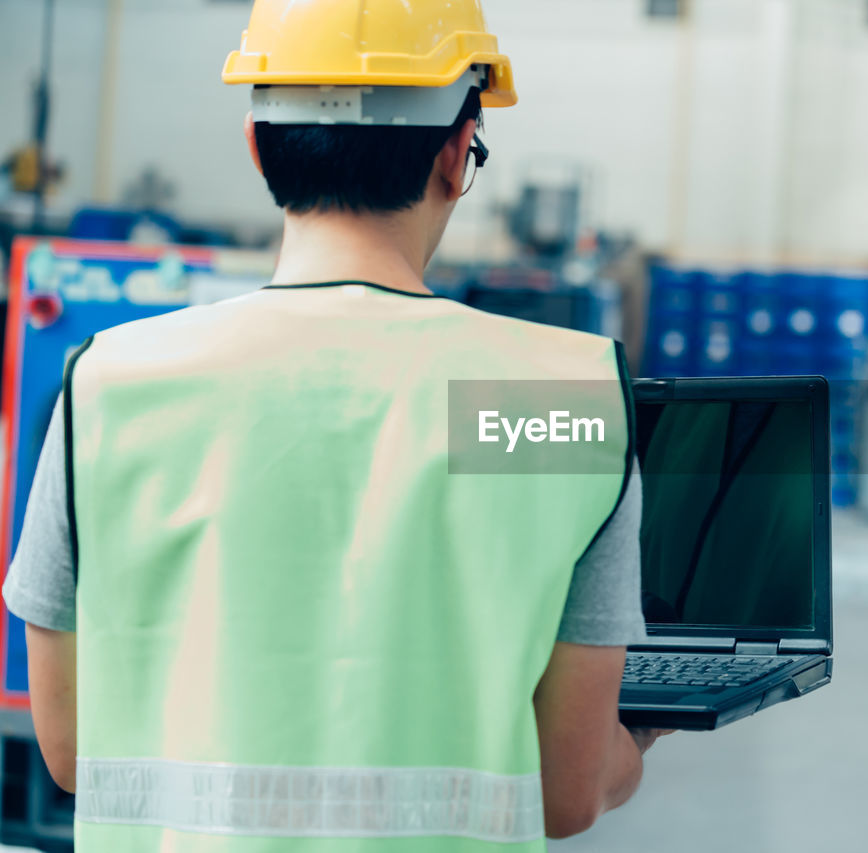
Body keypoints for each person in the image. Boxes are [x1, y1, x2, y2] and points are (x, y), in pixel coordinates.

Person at [2, 1, 666, 849]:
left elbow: (71, 748)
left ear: (257, 150)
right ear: (458, 155)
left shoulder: (112, 385)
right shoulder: (554, 399)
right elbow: (568, 790)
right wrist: (635, 742)